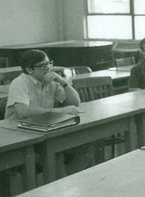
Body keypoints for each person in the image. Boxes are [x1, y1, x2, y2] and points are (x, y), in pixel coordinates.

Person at [6, 49, 92, 177]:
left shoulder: (52, 80)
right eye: (43, 66)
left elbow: (75, 102)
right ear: (30, 70)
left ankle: (65, 181)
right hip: (20, 134)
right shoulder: (20, 83)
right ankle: (61, 184)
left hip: (44, 130)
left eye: (49, 63)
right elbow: (22, 112)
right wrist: (59, 110)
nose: (48, 68)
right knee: (54, 152)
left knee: (87, 145)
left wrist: (62, 82)